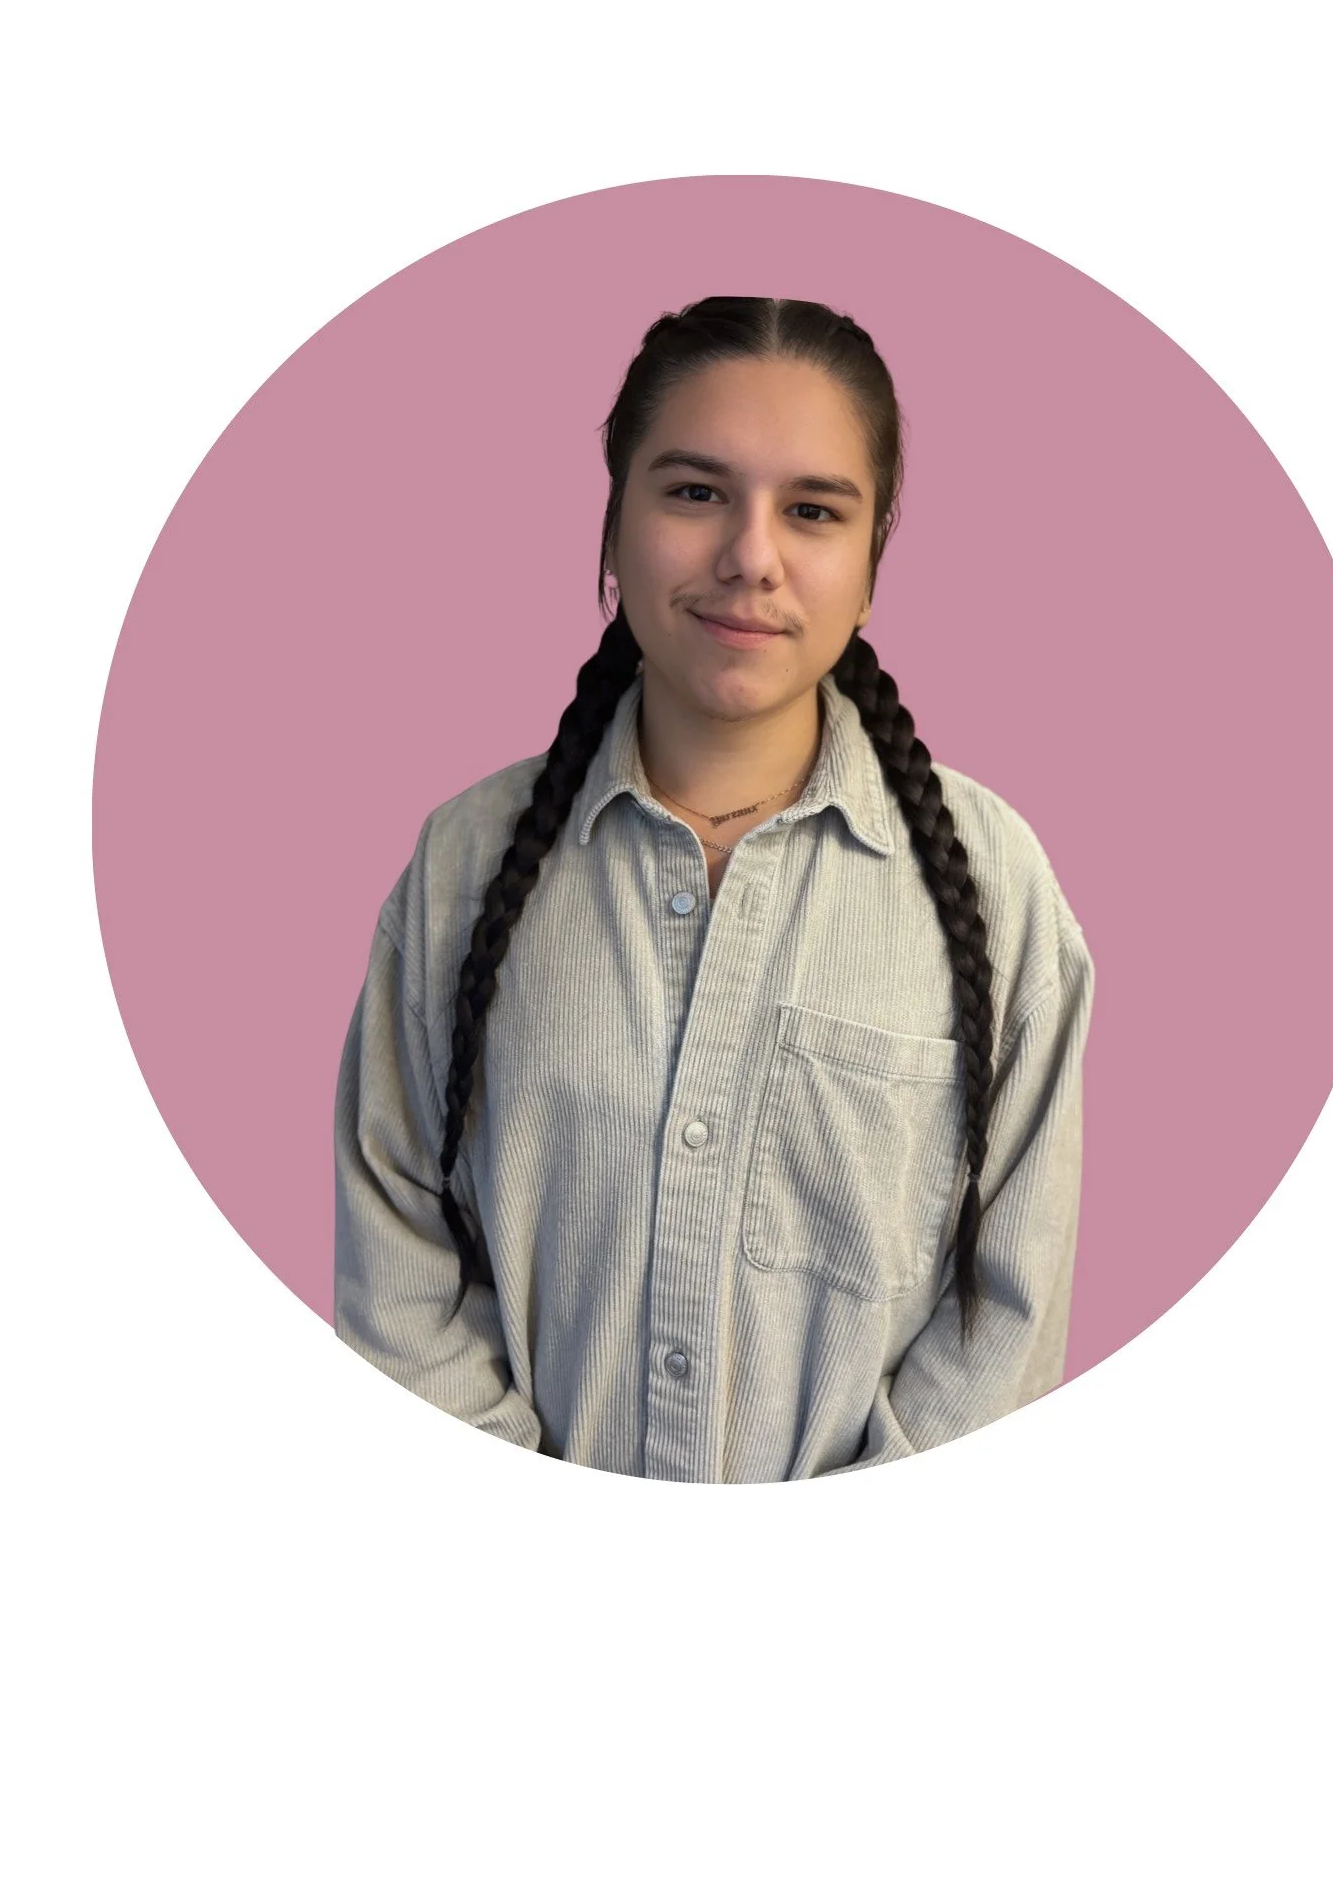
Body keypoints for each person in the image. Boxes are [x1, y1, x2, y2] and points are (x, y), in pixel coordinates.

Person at [334, 295, 1095, 1483]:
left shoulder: (1000, 888)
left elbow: (1010, 1314)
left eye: (813, 510)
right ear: (613, 523)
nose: (752, 555)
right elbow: (396, 1267)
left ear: (872, 562)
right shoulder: (462, 864)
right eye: (695, 492)